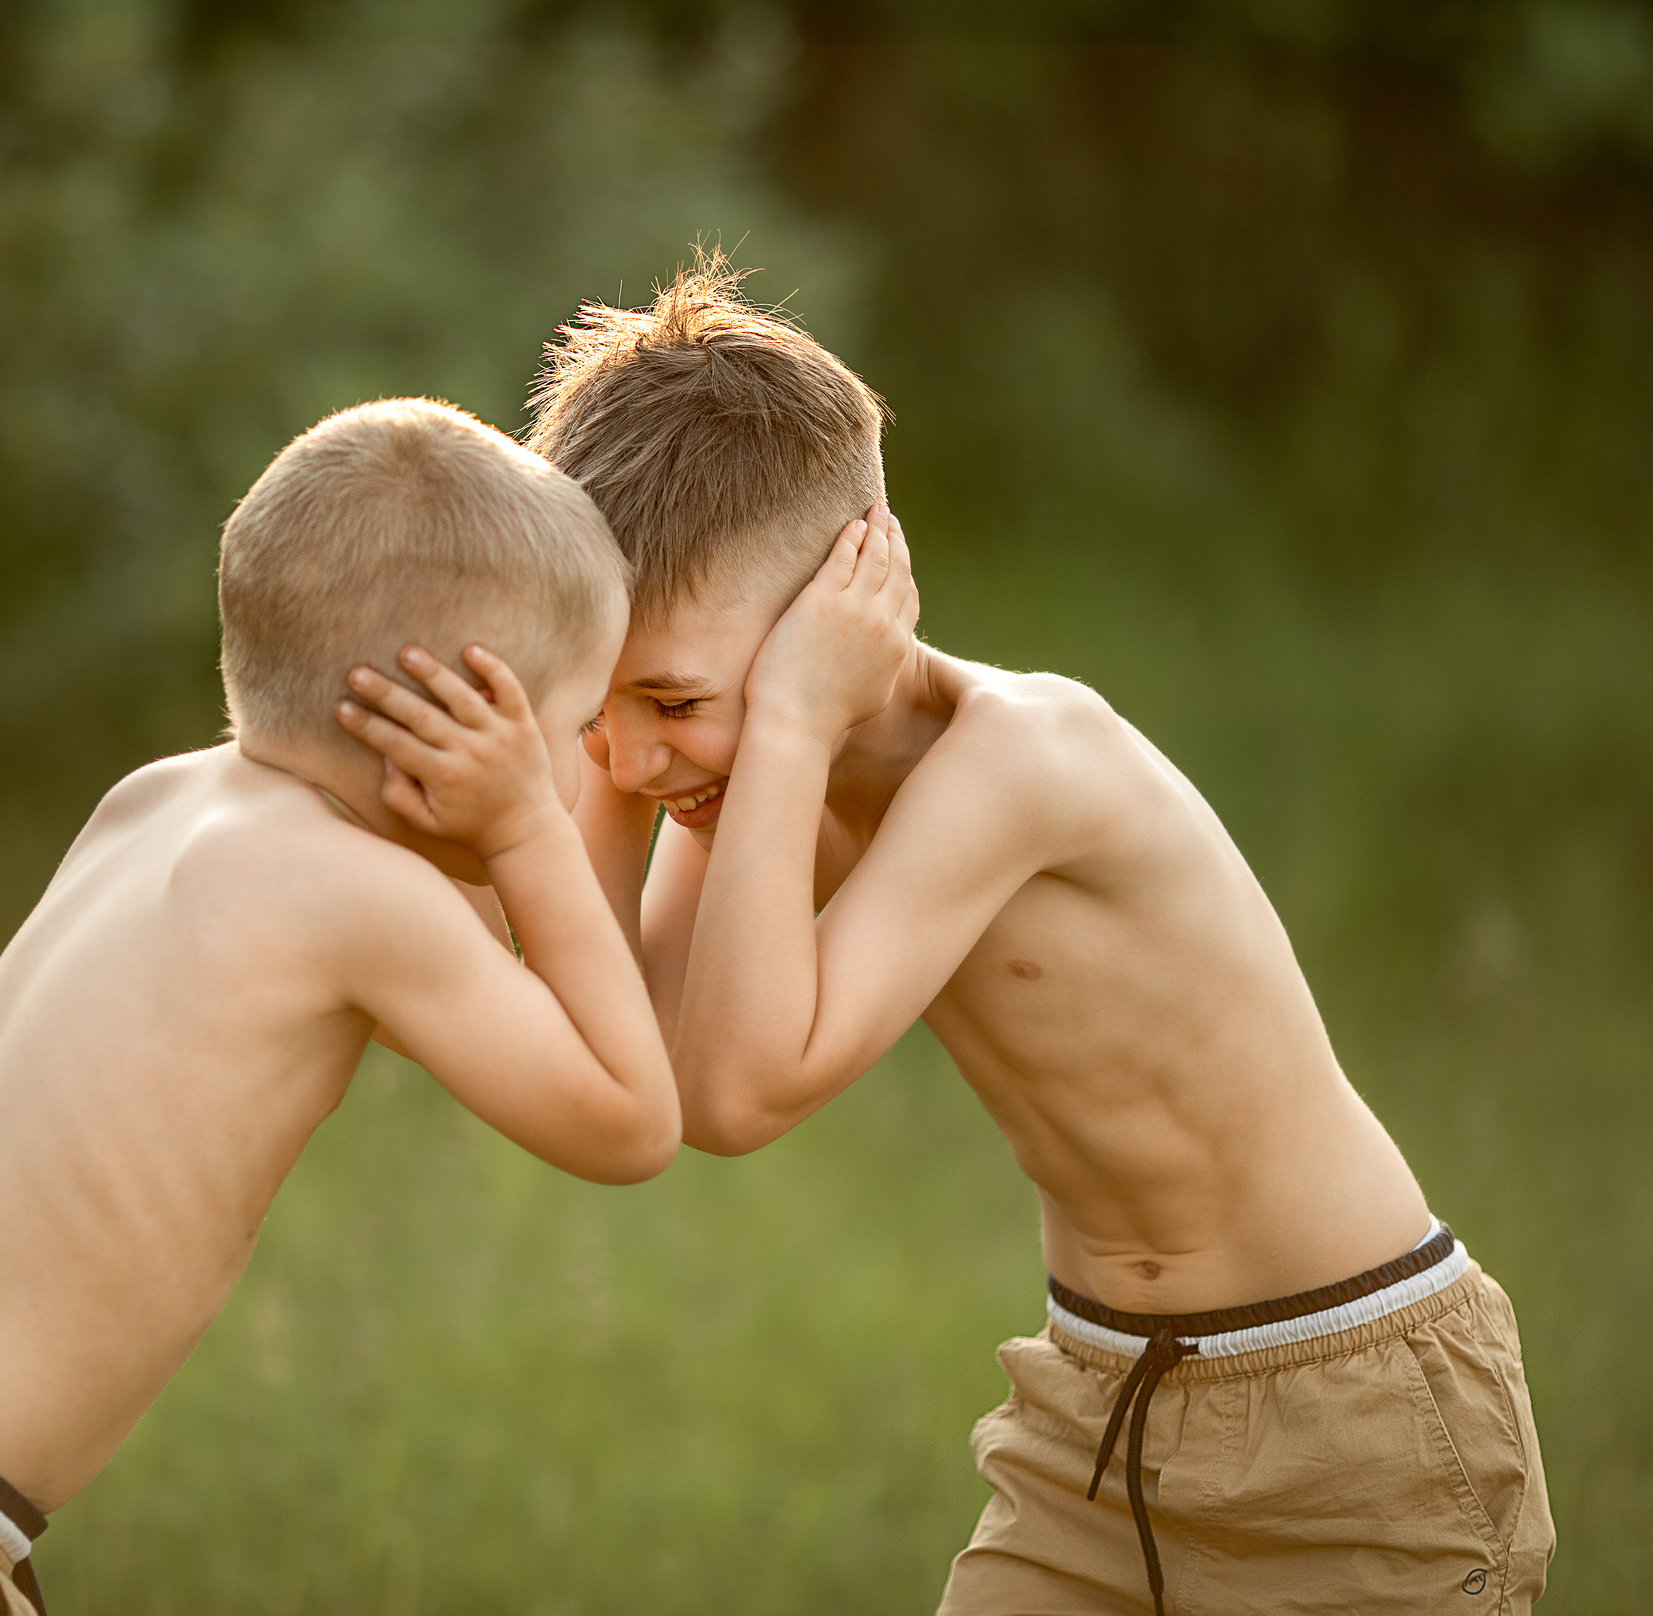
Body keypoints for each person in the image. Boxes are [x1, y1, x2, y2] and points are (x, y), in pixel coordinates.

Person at [348, 262, 1554, 1613]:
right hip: (1097, 1413)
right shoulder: (739, 776)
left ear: (839, 614)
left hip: (1350, 1413)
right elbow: (648, 1064)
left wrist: (790, 720)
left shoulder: (1023, 760)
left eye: (673, 698)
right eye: (601, 702)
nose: (629, 748)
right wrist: (616, 773)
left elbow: (745, 1090)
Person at [0, 399, 680, 1615]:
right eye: (576, 730)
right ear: (450, 727)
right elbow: (628, 1118)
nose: (591, 767)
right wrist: (532, 821)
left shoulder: (160, 803)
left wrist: (521, 819)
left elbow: (503, 975)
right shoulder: (353, 899)